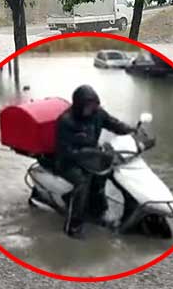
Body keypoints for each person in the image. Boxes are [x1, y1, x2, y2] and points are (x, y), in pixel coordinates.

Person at [55, 85, 135, 238]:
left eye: (93, 105)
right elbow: (66, 151)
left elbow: (114, 124)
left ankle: (98, 211)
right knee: (82, 182)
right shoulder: (66, 121)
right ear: (78, 105)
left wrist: (132, 131)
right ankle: (73, 226)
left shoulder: (98, 114)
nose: (91, 109)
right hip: (68, 161)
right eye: (87, 105)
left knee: (107, 174)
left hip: (91, 157)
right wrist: (93, 153)